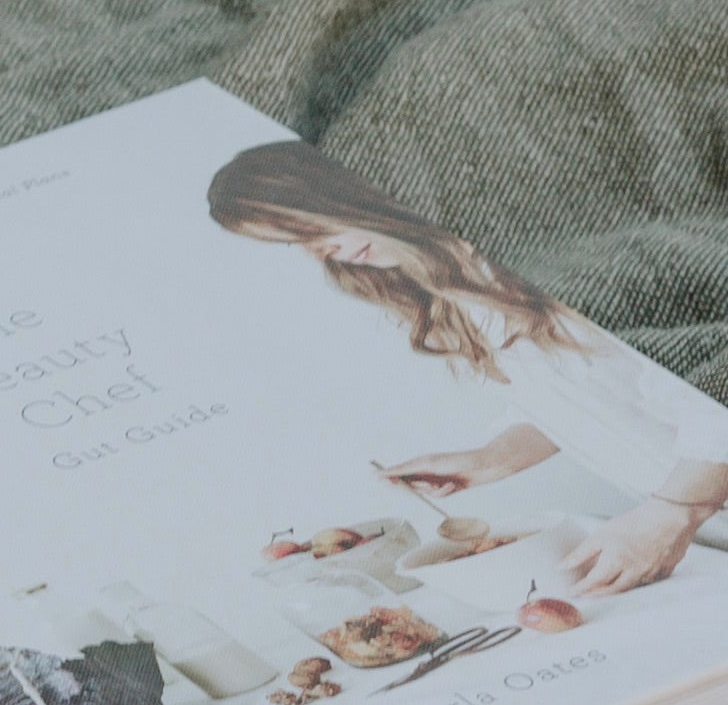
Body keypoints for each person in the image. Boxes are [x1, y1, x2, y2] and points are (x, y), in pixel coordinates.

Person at [206, 138, 728, 597]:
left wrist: (670, 514)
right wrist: (489, 460)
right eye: (294, 246)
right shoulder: (458, 289)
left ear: (335, 189)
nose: (319, 255)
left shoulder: (544, 247)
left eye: (303, 231)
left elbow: (708, 396)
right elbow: (597, 397)